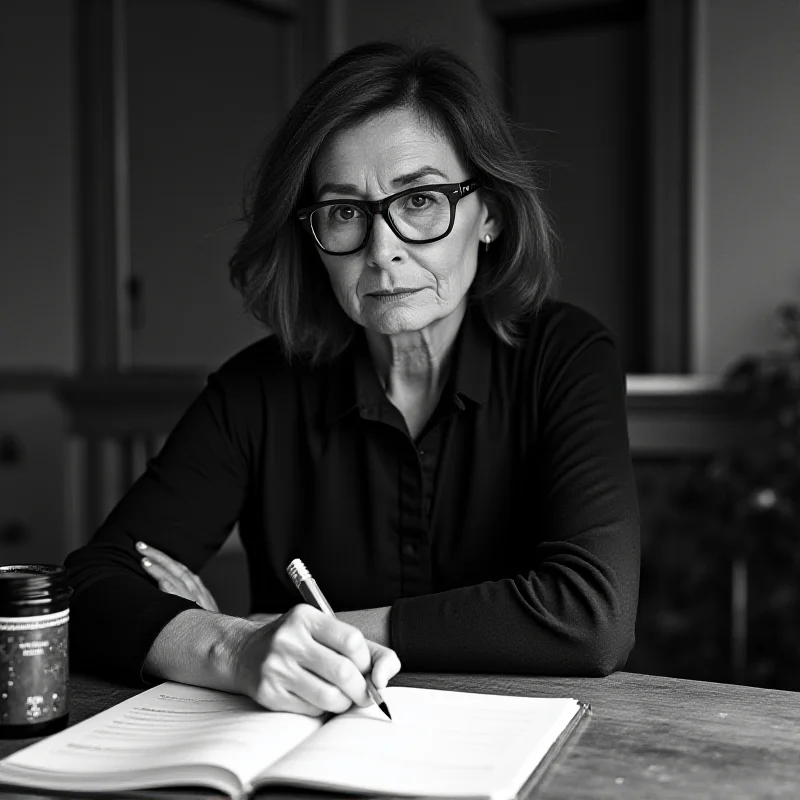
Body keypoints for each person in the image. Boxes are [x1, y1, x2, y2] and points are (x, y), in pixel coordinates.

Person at [65, 41, 640, 718]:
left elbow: (590, 614)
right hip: (314, 753)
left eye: (421, 199)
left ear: (490, 214)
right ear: (311, 239)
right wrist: (229, 648)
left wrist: (286, 632)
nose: (383, 248)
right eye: (344, 211)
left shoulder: (564, 355)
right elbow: (88, 585)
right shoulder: (259, 390)